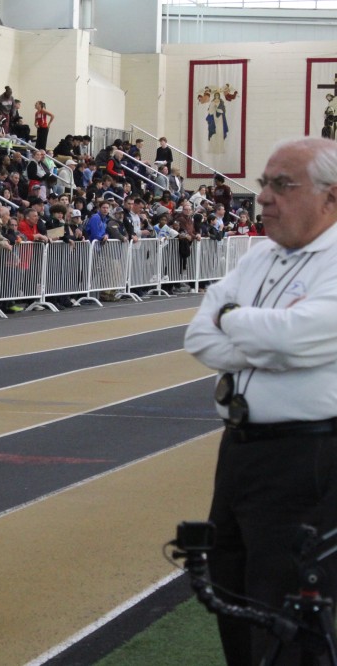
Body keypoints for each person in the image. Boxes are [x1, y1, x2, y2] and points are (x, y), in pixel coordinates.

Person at [184, 137, 337, 666]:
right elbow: (198, 337)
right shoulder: (258, 258)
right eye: (265, 183)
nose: (265, 197)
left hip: (306, 458)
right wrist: (265, 342)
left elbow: (293, 337)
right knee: (229, 587)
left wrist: (233, 320)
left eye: (282, 185)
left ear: (330, 196)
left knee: (286, 605)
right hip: (240, 450)